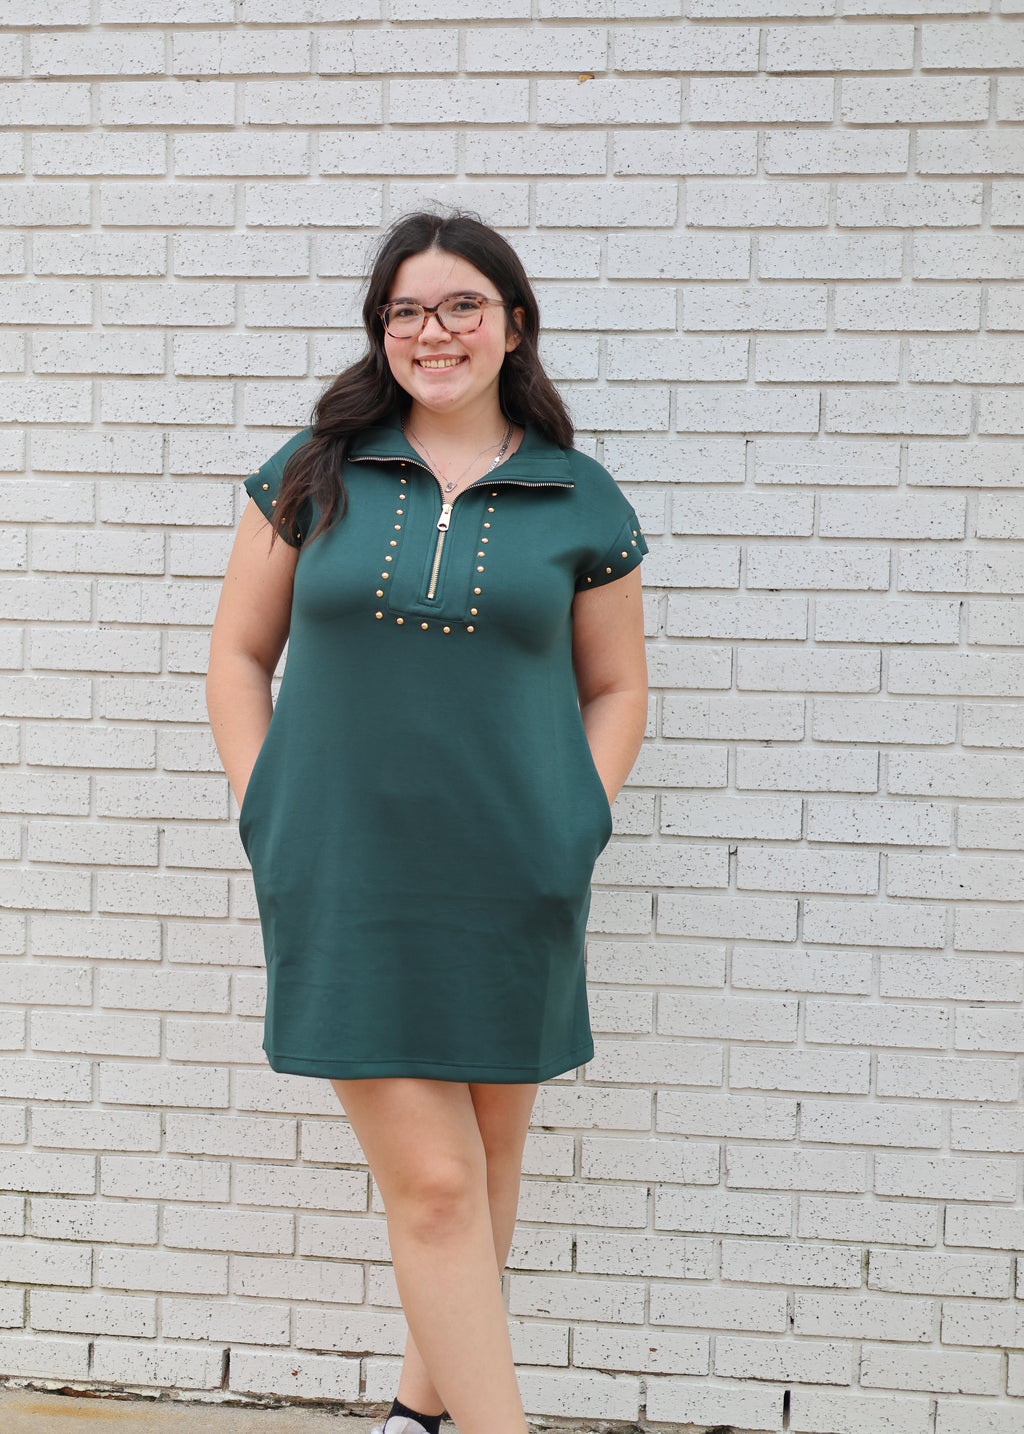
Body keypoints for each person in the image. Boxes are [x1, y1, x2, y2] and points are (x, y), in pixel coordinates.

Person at [205, 210, 649, 1434]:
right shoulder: (313, 469)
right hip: (342, 872)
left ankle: (417, 1415)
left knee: (488, 1168)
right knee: (440, 1182)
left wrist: (580, 819)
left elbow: (615, 687)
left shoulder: (580, 497)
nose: (432, 331)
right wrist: (269, 810)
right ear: (380, 332)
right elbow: (239, 659)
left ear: (512, 324)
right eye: (405, 310)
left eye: (460, 306)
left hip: (517, 874)